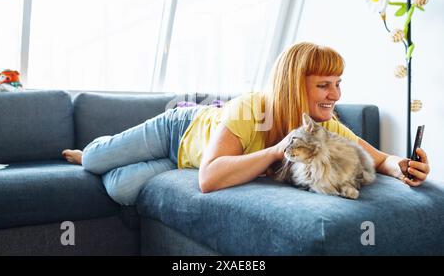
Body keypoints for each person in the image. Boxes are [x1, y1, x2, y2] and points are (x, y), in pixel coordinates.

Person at [63, 42, 431, 205]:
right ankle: (95, 151)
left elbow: (379, 158)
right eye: (323, 85)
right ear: (293, 85)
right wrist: (277, 149)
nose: (335, 95)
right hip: (177, 130)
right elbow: (208, 181)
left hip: (190, 158)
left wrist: (404, 167)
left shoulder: (325, 122)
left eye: (337, 84)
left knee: (123, 191)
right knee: (96, 162)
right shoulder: (252, 107)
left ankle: (124, 162)